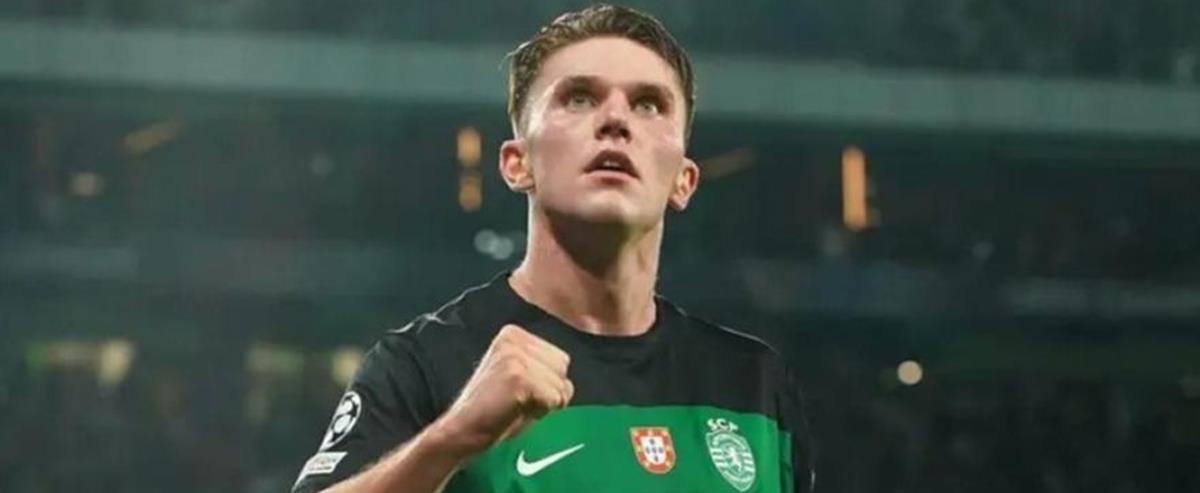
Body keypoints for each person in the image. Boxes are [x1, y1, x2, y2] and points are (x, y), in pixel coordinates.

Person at [291, 4, 814, 492]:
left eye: (648, 104)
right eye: (579, 98)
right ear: (517, 163)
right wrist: (454, 437)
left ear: (684, 179)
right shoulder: (425, 363)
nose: (616, 120)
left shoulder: (755, 385)